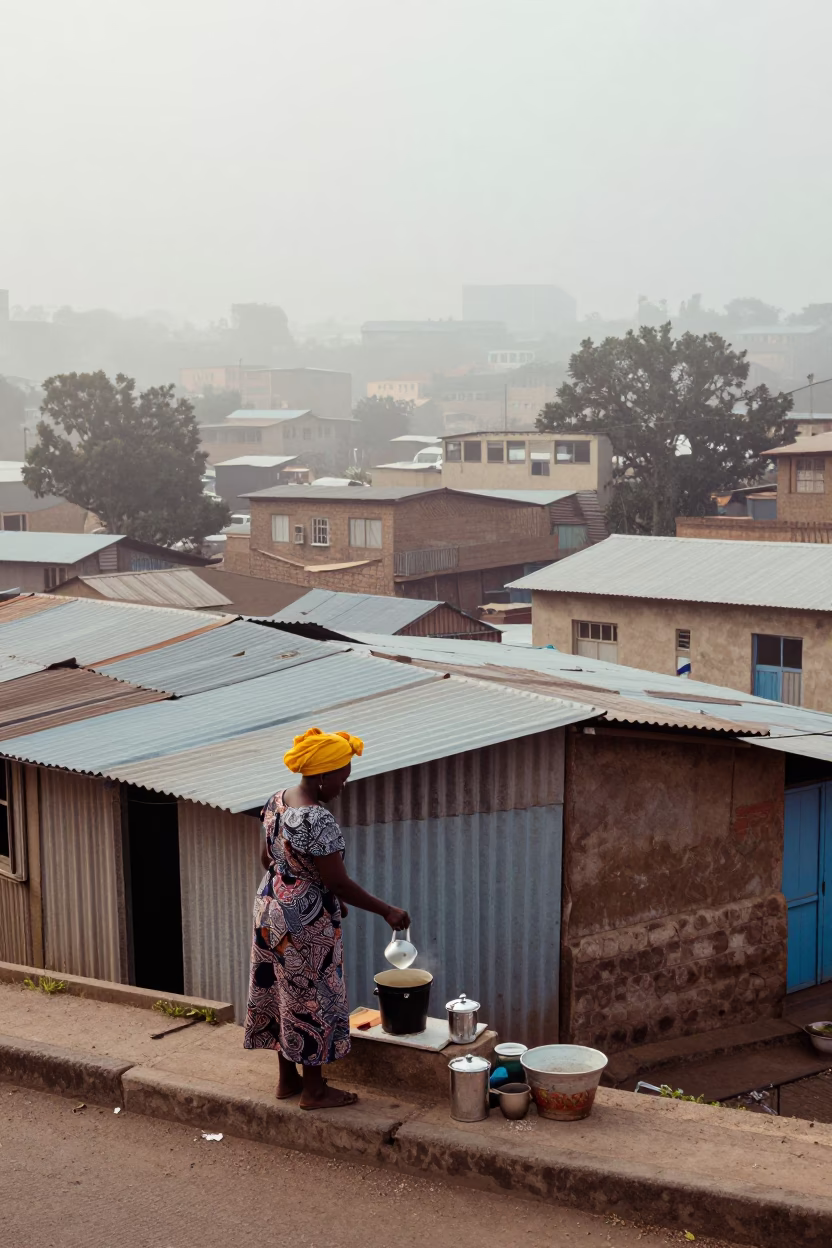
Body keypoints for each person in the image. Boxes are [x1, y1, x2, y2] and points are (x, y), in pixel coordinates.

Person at [244, 726, 411, 1110]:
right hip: (304, 921)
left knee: (281, 987)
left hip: (272, 907)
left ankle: (288, 1079)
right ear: (320, 776)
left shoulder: (276, 800)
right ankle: (315, 1090)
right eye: (341, 776)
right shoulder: (316, 819)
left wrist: (313, 893)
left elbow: (268, 860)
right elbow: (339, 881)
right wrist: (387, 910)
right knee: (311, 993)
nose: (343, 784)